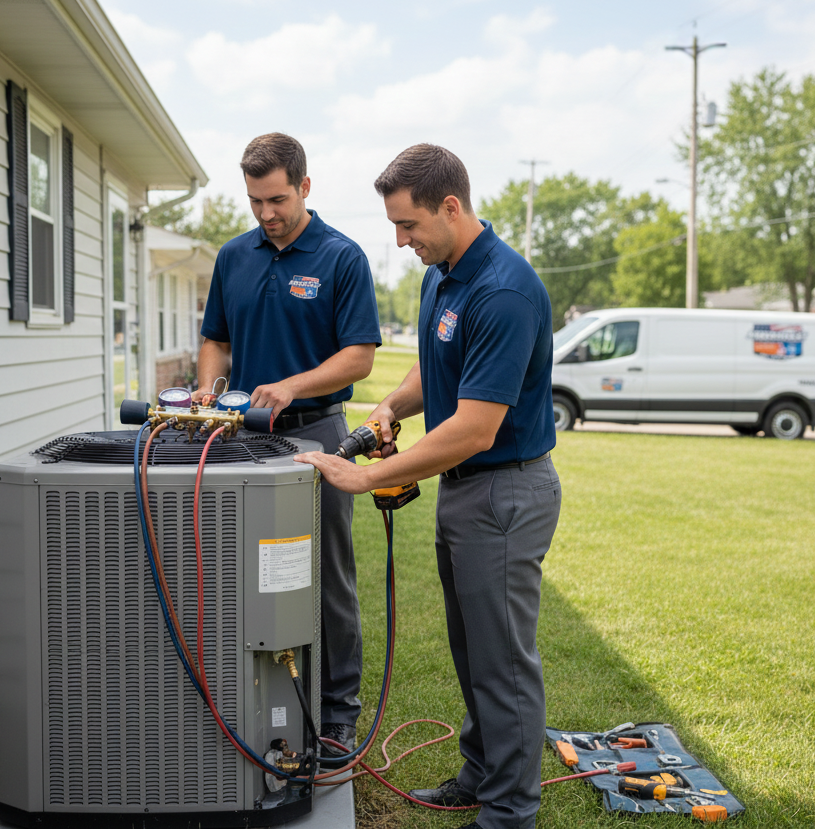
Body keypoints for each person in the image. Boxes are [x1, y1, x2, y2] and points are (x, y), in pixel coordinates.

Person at [296, 144, 561, 829]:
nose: (399, 240)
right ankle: (481, 774)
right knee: (474, 650)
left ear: (451, 207)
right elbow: (435, 369)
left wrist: (368, 475)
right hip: (467, 493)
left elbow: (474, 427)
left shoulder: (503, 289)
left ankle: (509, 813)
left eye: (408, 225)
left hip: (505, 492)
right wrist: (391, 406)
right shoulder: (442, 274)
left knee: (503, 662)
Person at [195, 133, 382, 750]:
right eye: (255, 201)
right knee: (237, 569)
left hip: (318, 436)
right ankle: (241, 692)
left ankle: (336, 713)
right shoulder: (233, 256)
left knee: (326, 577)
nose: (267, 213)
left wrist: (289, 385)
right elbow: (216, 340)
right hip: (241, 438)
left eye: (277, 199)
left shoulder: (341, 257)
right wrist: (207, 395)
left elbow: (358, 358)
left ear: (305, 185)